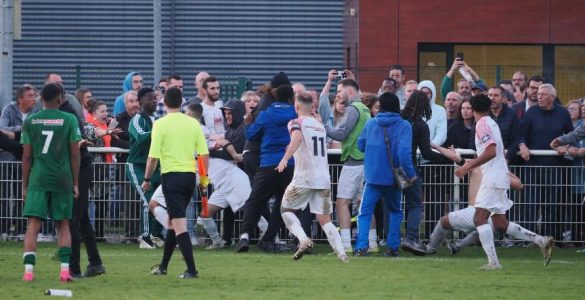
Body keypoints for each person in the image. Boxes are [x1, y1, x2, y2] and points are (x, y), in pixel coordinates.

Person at [453, 94, 554, 270]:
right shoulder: (491, 122)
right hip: (498, 175)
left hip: (492, 177)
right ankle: (541, 240)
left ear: (473, 107)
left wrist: (469, 165)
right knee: (500, 223)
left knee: (479, 218)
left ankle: (493, 263)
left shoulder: (482, 124)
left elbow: (490, 151)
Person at [277, 92, 348, 262]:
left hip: (305, 176)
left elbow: (297, 137)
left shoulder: (295, 122)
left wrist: (285, 159)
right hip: (323, 177)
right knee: (325, 219)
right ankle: (342, 254)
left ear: (296, 106)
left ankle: (303, 239)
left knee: (285, 210)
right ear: (312, 108)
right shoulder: (319, 125)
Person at [20, 83, 81, 282]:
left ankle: (28, 272)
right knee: (63, 225)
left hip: (38, 178)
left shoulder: (31, 120)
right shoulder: (69, 119)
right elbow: (74, 153)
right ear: (59, 98)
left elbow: (27, 157)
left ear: (41, 99)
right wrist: (75, 182)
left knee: (33, 225)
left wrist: (25, 185)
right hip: (62, 178)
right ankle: (64, 272)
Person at [145, 87, 208, 279]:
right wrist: (204, 180)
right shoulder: (193, 123)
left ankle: (191, 270)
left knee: (179, 225)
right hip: (189, 177)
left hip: (171, 177)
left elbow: (153, 157)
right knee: (173, 222)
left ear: (164, 102)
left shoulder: (159, 124)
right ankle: (163, 266)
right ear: (182, 102)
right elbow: (204, 154)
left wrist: (146, 179)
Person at [235, 83, 297, 253]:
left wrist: (248, 123)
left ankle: (244, 236)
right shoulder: (295, 113)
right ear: (291, 98)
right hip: (289, 164)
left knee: (255, 201)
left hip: (268, 163)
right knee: (281, 203)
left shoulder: (265, 114)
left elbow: (252, 135)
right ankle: (269, 238)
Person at [353, 92, 416, 257]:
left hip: (372, 177)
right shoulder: (404, 125)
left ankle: (361, 247)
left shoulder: (371, 123)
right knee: (395, 211)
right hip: (393, 178)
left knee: (365, 212)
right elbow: (404, 153)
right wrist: (410, 174)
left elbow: (360, 145)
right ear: (397, 106)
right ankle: (393, 247)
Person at [400, 90, 452, 255]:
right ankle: (411, 238)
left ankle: (392, 240)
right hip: (410, 168)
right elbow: (427, 153)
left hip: (392, 167)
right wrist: (447, 159)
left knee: (393, 206)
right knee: (414, 205)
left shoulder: (399, 120)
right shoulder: (421, 125)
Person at [60, 93, 105, 279]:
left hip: (79, 168)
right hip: (80, 167)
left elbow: (75, 146)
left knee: (74, 219)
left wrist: (76, 181)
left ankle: (74, 268)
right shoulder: (67, 114)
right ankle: (95, 263)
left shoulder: (66, 116)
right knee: (82, 217)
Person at [126, 88, 164, 249]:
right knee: (148, 199)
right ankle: (145, 237)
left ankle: (155, 234)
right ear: (140, 102)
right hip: (137, 166)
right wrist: (160, 130)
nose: (154, 101)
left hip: (155, 165)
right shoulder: (136, 120)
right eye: (150, 99)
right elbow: (141, 138)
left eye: (155, 98)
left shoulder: (156, 120)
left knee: (160, 200)